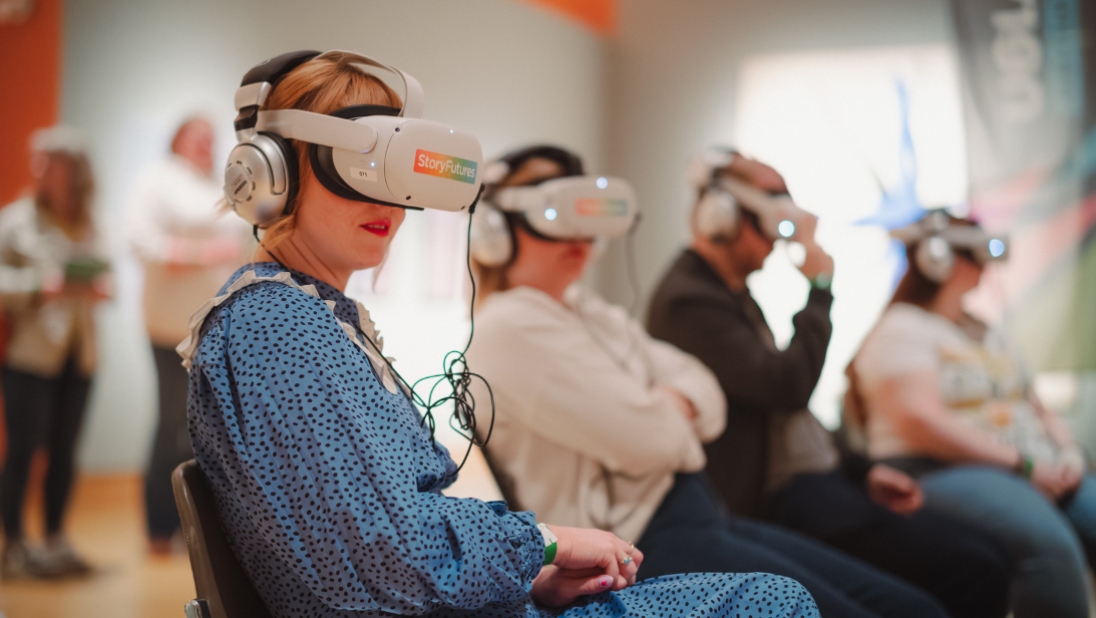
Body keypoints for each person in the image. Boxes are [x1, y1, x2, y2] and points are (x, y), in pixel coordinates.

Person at [184, 50, 819, 618]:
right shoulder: (275, 326)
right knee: (774, 603)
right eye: (354, 166)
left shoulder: (310, 318)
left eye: (393, 171)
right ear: (273, 172)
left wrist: (528, 579)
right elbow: (377, 562)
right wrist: (544, 542)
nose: (387, 202)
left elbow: (385, 538)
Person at [465, 144, 952, 618]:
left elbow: (704, 389)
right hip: (636, 541)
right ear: (495, 229)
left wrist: (660, 408)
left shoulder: (588, 310)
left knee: (910, 607)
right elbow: (653, 439)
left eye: (585, 213)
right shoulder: (508, 326)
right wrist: (666, 412)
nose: (578, 235)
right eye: (553, 214)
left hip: (698, 511)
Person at [645, 150, 1011, 618]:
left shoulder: (731, 295)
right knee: (967, 573)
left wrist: (862, 470)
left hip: (817, 481)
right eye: (769, 226)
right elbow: (786, 387)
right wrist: (819, 289)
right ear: (722, 217)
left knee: (981, 558)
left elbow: (795, 417)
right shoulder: (689, 300)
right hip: (776, 498)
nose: (777, 242)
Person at [848, 209, 1096, 618]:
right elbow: (921, 422)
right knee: (1048, 546)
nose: (985, 265)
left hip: (1029, 465)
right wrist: (1024, 465)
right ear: (937, 258)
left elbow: (1034, 404)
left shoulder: (985, 329)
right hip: (940, 469)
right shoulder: (901, 328)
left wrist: (1069, 453)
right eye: (974, 254)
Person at [126, 116, 249, 554]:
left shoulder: (220, 185)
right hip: (169, 328)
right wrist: (206, 253)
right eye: (197, 137)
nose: (205, 144)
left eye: (211, 139)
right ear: (177, 138)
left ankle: (204, 532)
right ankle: (161, 528)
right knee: (172, 424)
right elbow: (142, 244)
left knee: (213, 430)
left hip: (218, 329)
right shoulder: (156, 180)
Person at [0, 127, 110, 579]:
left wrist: (100, 285)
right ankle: (13, 544)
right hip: (30, 355)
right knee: (23, 452)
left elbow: (106, 273)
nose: (38, 169)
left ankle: (55, 538)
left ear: (71, 168)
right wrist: (36, 286)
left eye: (47, 161)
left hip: (79, 355)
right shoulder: (16, 220)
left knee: (65, 451)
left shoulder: (88, 219)